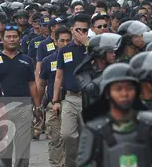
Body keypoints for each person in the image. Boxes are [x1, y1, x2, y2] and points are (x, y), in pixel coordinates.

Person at [76, 63, 152, 167]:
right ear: (107, 92)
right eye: (118, 89)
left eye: (129, 88)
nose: (125, 94)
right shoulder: (94, 129)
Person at [0, 25, 42, 167]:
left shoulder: (27, 60)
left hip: (23, 108)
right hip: (1, 110)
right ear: (2, 39)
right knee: (4, 149)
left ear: (19, 39)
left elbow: (32, 84)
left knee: (23, 149)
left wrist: (37, 106)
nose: (12, 39)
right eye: (8, 37)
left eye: (15, 36)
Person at [52, 13, 90, 167]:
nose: (81, 33)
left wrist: (88, 44)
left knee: (87, 137)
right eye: (78, 30)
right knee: (67, 135)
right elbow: (59, 77)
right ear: (72, 29)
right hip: (70, 98)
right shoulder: (64, 51)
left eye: (84, 30)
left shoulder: (93, 48)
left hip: (89, 99)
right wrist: (55, 100)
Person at [37, 26, 72, 167]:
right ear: (55, 42)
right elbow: (41, 84)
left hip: (72, 102)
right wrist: (37, 104)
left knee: (70, 139)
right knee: (55, 139)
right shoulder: (47, 60)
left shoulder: (76, 58)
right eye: (62, 41)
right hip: (53, 105)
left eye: (68, 41)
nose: (65, 44)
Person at [74, 33, 122, 112]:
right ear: (100, 53)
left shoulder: (116, 68)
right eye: (110, 51)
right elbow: (91, 89)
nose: (114, 54)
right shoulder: (83, 73)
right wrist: (109, 73)